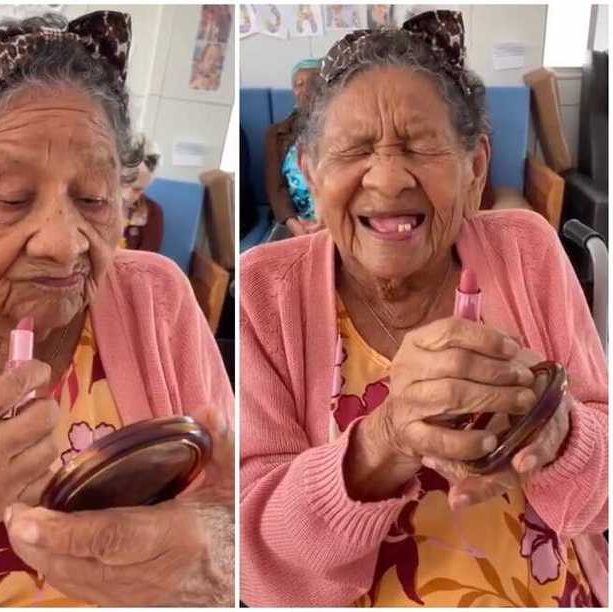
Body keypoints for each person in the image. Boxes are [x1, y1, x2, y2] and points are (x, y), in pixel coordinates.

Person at [240, 11, 607, 607]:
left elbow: (606, 478)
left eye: (419, 146)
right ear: (309, 170)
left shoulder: (527, 248)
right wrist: (383, 441)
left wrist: (564, 437)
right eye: (354, 150)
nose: (386, 179)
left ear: (475, 167)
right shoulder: (264, 289)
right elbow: (256, 560)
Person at [0, 12, 234, 607]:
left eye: (93, 197)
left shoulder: (157, 298)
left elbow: (238, 529)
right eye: (13, 200)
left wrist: (221, 557)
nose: (64, 243)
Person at [264, 58, 321, 237]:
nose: (305, 91)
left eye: (313, 84)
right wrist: (295, 225)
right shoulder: (276, 134)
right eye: (299, 84)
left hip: (335, 219)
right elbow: (276, 189)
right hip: (292, 220)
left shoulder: (342, 129)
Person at [119, 141, 164, 252]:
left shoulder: (152, 212)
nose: (126, 195)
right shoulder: (96, 203)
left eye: (137, 189)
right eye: (123, 184)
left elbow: (148, 260)